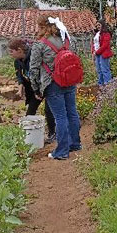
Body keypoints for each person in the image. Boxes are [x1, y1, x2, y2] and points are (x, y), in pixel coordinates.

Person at [30, 15, 82, 160]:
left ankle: (62, 151)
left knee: (60, 116)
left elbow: (33, 69)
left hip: (52, 84)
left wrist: (36, 89)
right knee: (72, 112)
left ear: (41, 27)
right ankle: (75, 144)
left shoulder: (40, 45)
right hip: (69, 81)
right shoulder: (68, 41)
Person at [8, 38, 56, 144]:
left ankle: (53, 133)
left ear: (19, 50)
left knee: (49, 111)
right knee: (30, 112)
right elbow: (20, 76)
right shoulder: (17, 62)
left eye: (12, 51)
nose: (10, 54)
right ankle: (28, 136)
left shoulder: (34, 57)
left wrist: (39, 90)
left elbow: (39, 73)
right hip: (34, 89)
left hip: (45, 85)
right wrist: (20, 90)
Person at [93, 19, 113, 86]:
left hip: (103, 54)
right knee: (99, 70)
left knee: (105, 69)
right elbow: (94, 43)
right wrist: (93, 51)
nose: (98, 26)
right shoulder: (97, 33)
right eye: (97, 25)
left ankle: (108, 85)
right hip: (97, 54)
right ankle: (100, 84)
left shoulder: (106, 34)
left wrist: (97, 52)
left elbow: (105, 45)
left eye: (99, 25)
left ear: (103, 25)